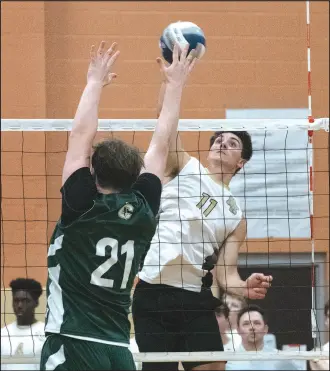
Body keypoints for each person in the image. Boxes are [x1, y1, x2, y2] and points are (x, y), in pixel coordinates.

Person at [39, 41, 197, 371]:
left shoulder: (80, 205)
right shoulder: (143, 209)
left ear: (92, 171)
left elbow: (80, 136)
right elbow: (161, 141)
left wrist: (95, 81)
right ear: (135, 177)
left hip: (74, 341)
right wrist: (175, 85)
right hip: (118, 351)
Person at [132, 77, 273, 371]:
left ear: (241, 163)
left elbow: (225, 275)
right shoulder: (184, 166)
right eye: (219, 139)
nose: (223, 142)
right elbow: (164, 121)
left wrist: (243, 288)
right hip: (152, 293)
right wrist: (173, 81)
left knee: (213, 366)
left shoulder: (236, 216)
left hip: (193, 297)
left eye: (232, 143)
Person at [226, 305, 298, 370]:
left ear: (265, 329)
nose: (252, 327)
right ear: (238, 330)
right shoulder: (227, 361)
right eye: (246, 324)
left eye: (257, 323)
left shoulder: (281, 360)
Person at [1, 278, 45, 370]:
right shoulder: (3, 334)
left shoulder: (45, 333)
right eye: (16, 301)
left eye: (25, 301)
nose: (19, 305)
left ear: (36, 303)